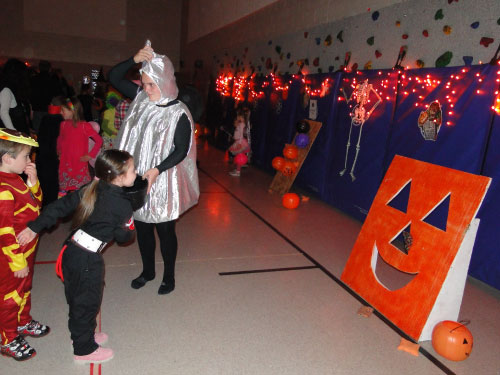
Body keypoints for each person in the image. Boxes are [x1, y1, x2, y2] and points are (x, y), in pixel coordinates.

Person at [18, 149, 137, 364]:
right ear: (118, 177)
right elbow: (124, 238)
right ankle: (84, 349)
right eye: (133, 170)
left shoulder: (91, 187)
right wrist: (128, 226)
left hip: (71, 252)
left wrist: (35, 227)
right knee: (87, 302)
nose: (136, 174)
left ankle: (83, 335)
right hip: (87, 261)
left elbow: (58, 207)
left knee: (77, 299)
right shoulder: (122, 204)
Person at [109, 42, 199, 295]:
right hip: (137, 178)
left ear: (165, 81)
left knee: (165, 229)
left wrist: (157, 170)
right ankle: (148, 271)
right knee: (142, 227)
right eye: (144, 83)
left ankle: (168, 276)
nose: (146, 89)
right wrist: (133, 59)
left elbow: (181, 149)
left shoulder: (178, 112)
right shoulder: (141, 100)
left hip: (162, 179)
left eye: (151, 84)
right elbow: (113, 76)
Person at [0, 128, 50, 361]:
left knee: (24, 289)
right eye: (25, 157)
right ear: (7, 159)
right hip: (11, 258)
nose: (29, 161)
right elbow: (4, 231)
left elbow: (35, 204)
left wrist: (33, 182)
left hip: (26, 250)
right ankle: (8, 338)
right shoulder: (3, 189)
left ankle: (23, 322)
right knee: (10, 297)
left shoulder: (16, 179)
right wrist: (18, 262)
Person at [57, 97, 102, 197]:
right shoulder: (63, 125)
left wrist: (91, 155)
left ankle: (81, 210)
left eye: (63, 110)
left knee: (81, 192)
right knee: (63, 190)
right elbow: (60, 139)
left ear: (72, 111)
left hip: (79, 164)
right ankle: (62, 210)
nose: (60, 112)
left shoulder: (84, 126)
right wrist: (59, 151)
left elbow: (99, 141)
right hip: (66, 163)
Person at [36, 96, 64, 206]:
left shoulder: (45, 118)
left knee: (44, 183)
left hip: (43, 156)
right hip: (54, 157)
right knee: (53, 184)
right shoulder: (61, 121)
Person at [0, 59, 32, 134]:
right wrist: (13, 132)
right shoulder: (7, 90)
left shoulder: (15, 89)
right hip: (12, 136)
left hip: (18, 132)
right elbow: (3, 113)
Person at [228, 109, 251, 177]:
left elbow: (241, 134)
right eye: (238, 117)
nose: (238, 118)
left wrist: (239, 144)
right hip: (238, 141)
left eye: (239, 117)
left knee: (239, 157)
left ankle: (238, 172)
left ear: (242, 117)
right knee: (238, 157)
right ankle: (237, 170)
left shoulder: (242, 124)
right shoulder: (240, 124)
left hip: (240, 142)